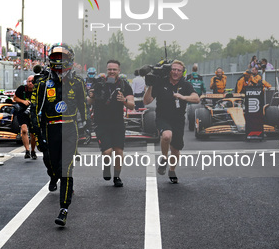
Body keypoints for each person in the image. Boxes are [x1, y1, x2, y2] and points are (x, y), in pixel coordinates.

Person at [31, 44, 88, 226]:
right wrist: (38, 134)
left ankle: (64, 208)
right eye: (55, 56)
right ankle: (52, 175)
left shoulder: (78, 83)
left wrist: (86, 126)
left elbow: (83, 106)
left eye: (62, 57)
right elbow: (34, 110)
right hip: (50, 129)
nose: (59, 60)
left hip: (70, 128)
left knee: (66, 168)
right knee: (51, 164)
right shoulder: (41, 83)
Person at [143, 60, 199, 183]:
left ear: (182, 72)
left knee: (175, 149)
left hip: (178, 119)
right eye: (173, 69)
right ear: (169, 70)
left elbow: (196, 98)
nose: (175, 72)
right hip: (163, 117)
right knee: (167, 135)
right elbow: (146, 101)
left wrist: (183, 97)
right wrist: (150, 85)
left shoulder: (185, 84)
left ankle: (172, 170)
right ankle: (164, 158)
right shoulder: (161, 82)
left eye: (178, 70)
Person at [88, 59, 134, 187]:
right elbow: (89, 102)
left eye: (114, 69)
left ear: (119, 71)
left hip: (118, 122)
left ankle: (117, 177)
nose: (112, 71)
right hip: (101, 122)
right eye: (110, 69)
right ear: (106, 70)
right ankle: (106, 167)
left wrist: (124, 100)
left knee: (118, 152)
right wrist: (91, 95)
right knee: (107, 152)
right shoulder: (98, 83)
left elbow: (132, 105)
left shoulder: (124, 85)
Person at [13, 75, 37, 159]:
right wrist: (23, 101)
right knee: (24, 130)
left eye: (32, 81)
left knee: (33, 134)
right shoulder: (21, 89)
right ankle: (27, 150)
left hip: (33, 113)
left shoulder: (38, 89)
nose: (30, 83)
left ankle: (33, 150)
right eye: (28, 81)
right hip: (22, 112)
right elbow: (15, 98)